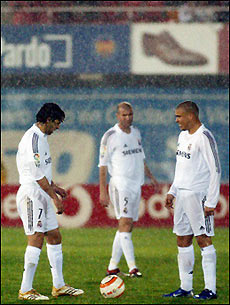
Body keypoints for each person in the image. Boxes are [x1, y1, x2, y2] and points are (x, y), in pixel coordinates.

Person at [16, 103, 84, 301]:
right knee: (36, 238)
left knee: (54, 236)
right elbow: (36, 175)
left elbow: (43, 171)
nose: (58, 127)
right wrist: (55, 199)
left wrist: (54, 188)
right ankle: (25, 289)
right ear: (47, 120)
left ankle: (59, 286)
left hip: (43, 192)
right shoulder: (33, 140)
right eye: (57, 123)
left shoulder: (42, 138)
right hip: (32, 194)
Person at [163, 101, 221, 300]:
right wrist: (173, 191)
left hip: (199, 195)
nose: (176, 120)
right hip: (182, 195)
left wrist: (211, 201)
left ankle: (210, 289)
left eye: (179, 116)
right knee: (182, 238)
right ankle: (185, 287)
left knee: (203, 239)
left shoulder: (204, 137)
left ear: (191, 116)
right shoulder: (182, 136)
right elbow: (181, 167)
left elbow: (216, 169)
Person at [99, 101, 158, 278]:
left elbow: (141, 158)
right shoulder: (109, 136)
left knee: (127, 225)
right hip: (120, 183)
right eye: (124, 115)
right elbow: (102, 165)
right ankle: (133, 267)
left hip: (135, 184)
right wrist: (103, 190)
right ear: (117, 116)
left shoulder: (136, 133)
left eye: (130, 114)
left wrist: (150, 176)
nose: (127, 118)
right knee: (124, 223)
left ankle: (112, 267)